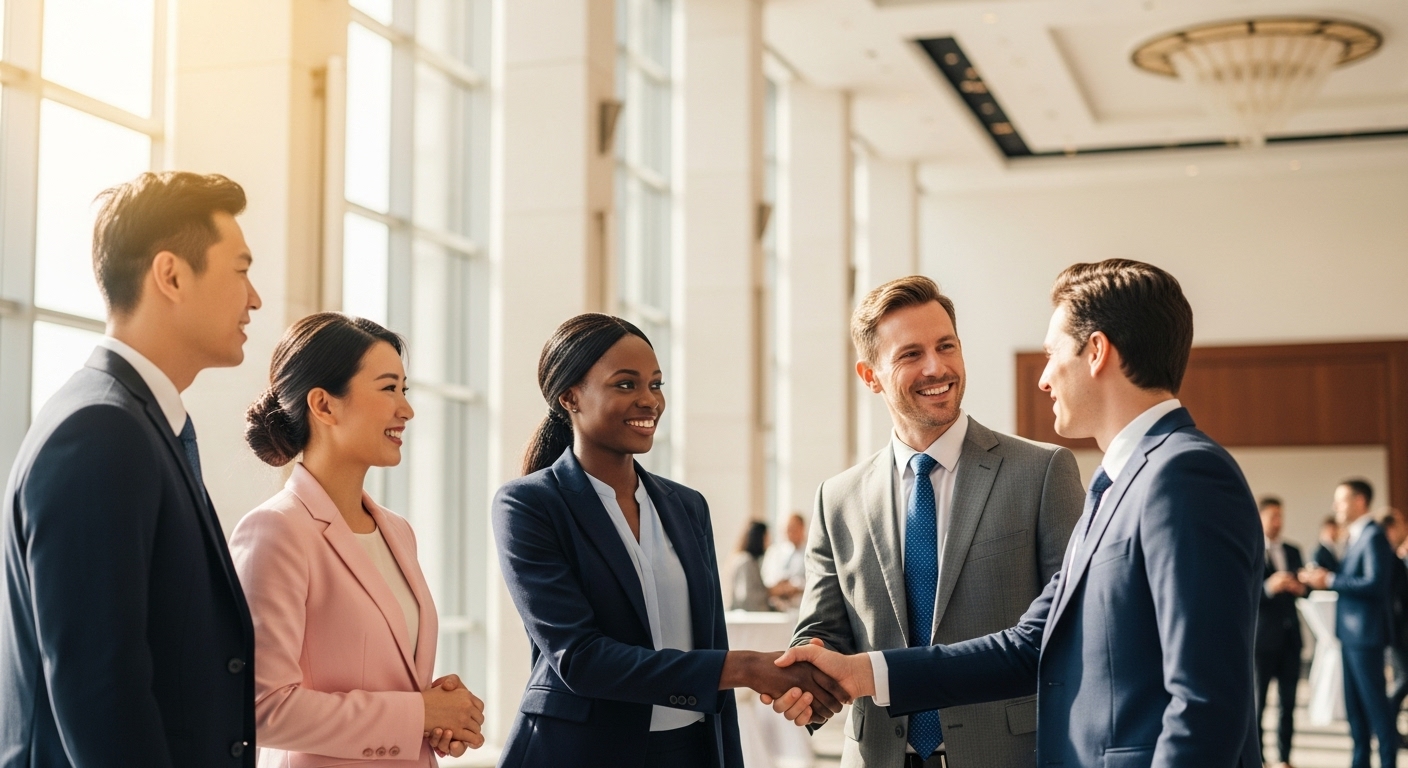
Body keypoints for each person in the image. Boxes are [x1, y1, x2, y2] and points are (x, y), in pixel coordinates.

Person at [770, 259, 1264, 768]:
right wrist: (864, 673)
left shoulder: (1183, 475)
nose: (1044, 378)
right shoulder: (1117, 482)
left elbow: (1207, 702)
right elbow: (1029, 644)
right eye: (912, 353)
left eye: (1052, 354)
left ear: (1096, 352)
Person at [491, 314, 846, 768]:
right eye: (625, 385)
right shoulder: (529, 504)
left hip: (690, 750)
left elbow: (710, 640)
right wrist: (746, 669)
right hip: (580, 751)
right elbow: (580, 658)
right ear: (570, 396)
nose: (648, 401)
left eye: (656, 385)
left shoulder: (687, 506)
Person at [0, 172, 262, 765]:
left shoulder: (133, 423)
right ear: (171, 275)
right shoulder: (100, 433)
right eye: (241, 269)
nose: (255, 298)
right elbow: (101, 691)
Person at [786, 276, 1083, 768]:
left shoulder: (1042, 472)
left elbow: (1068, 633)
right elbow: (823, 628)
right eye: (910, 354)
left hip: (1007, 755)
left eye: (947, 347)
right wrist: (808, 674)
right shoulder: (836, 497)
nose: (936, 367)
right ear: (870, 374)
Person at [229, 313, 484, 765]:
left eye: (405, 390)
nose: (406, 409)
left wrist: (439, 713)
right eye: (388, 388)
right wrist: (417, 713)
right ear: (324, 406)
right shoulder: (276, 530)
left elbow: (389, 679)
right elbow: (260, 709)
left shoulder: (398, 532)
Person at [1302, 479, 1398, 768]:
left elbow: (1375, 583)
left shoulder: (1373, 536)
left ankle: (1387, 762)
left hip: (1366, 636)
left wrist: (1329, 580)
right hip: (1351, 635)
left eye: (1340, 500)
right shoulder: (1356, 536)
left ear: (1359, 501)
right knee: (1355, 710)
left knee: (1376, 708)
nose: (1335, 507)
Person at [1255, 496, 1306, 768]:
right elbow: (1243, 594)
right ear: (1261, 517)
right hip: (1262, 640)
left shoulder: (1293, 550)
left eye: (1281, 516)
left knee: (1289, 704)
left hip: (1290, 638)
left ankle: (1285, 758)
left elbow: (1305, 587)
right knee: (1258, 704)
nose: (1278, 522)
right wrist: (1268, 587)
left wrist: (1301, 588)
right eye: (1273, 516)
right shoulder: (1251, 549)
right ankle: (1259, 759)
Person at [1379, 509, 1408, 728]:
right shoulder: (1387, 559)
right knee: (1403, 678)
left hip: (1398, 629)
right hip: (1395, 631)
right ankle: (1385, 726)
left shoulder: (1395, 557)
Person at [761, 512, 807, 608]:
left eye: (794, 528)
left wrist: (796, 586)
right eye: (788, 529)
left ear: (802, 528)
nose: (790, 532)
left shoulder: (810, 552)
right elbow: (766, 576)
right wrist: (779, 586)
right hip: (776, 606)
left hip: (800, 605)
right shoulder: (774, 552)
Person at [729, 521, 776, 612]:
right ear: (759, 539)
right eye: (766, 538)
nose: (768, 544)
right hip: (747, 620)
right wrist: (770, 592)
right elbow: (746, 597)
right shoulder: (746, 562)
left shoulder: (752, 561)